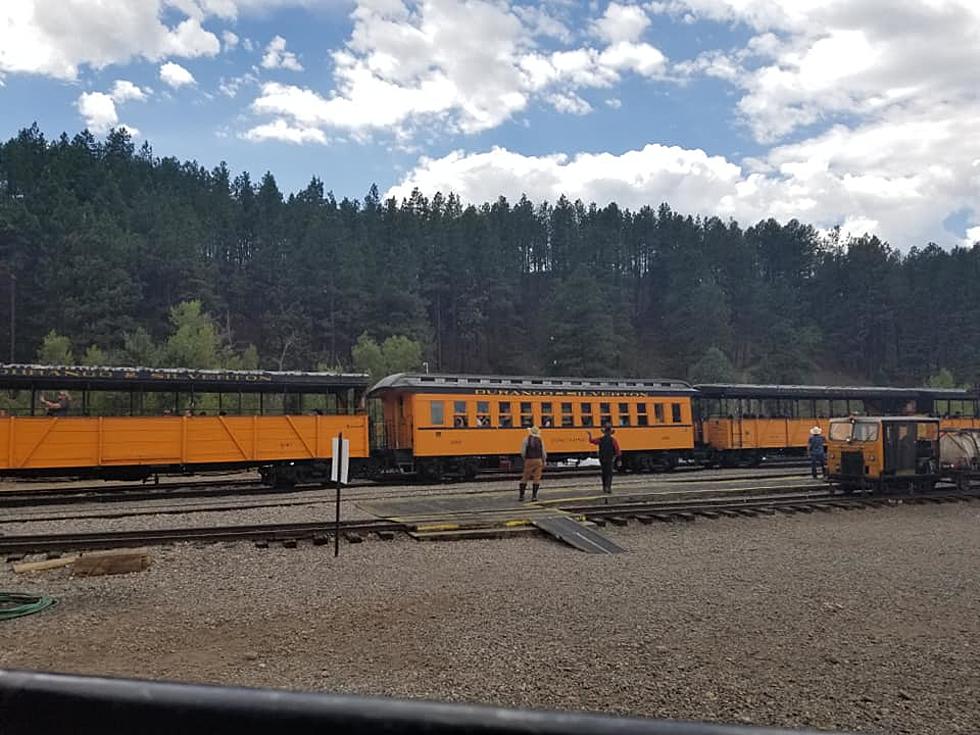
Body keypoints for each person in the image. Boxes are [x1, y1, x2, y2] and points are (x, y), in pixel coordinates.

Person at [587, 422, 622, 494]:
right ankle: (608, 487)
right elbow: (617, 450)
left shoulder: (601, 439)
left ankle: (604, 487)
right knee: (609, 473)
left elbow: (592, 441)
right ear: (610, 432)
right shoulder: (613, 440)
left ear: (604, 432)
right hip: (610, 459)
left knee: (604, 473)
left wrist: (590, 435)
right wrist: (619, 459)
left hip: (602, 459)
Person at [518, 425, 546, 502]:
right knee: (536, 478)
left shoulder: (526, 439)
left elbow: (523, 452)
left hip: (529, 460)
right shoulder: (540, 440)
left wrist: (525, 458)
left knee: (525, 477)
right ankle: (534, 497)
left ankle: (521, 496)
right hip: (538, 460)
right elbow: (543, 452)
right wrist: (544, 460)